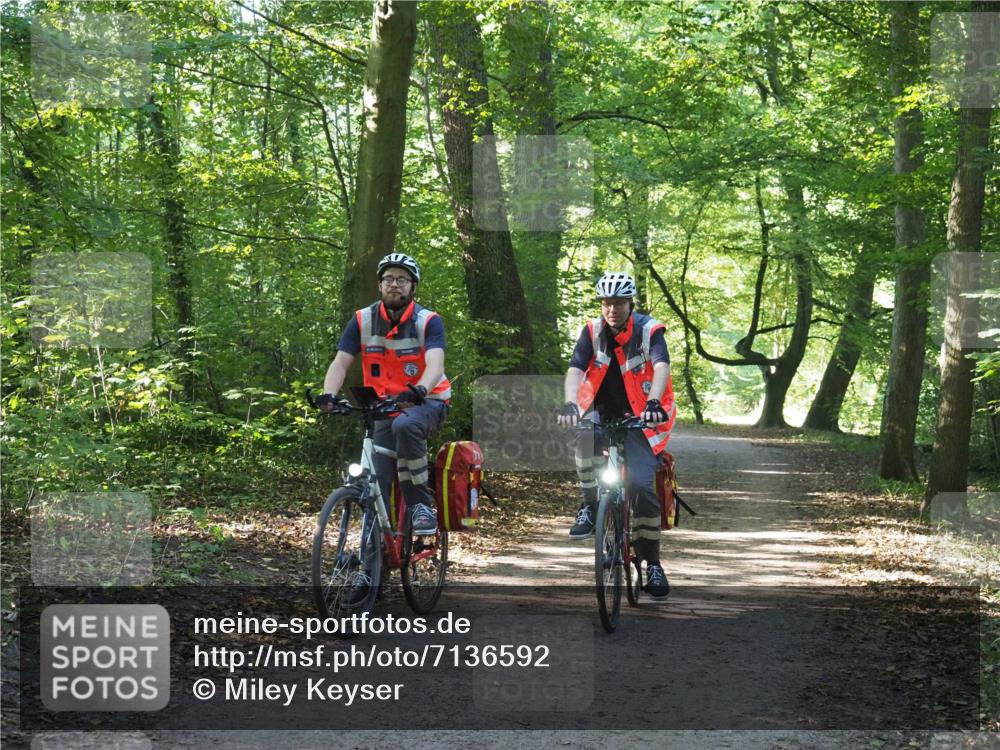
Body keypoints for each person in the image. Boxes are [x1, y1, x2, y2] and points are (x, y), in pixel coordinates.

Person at [556, 272, 676, 598]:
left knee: (639, 485)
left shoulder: (649, 330)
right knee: (584, 439)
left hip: (642, 415)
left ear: (630, 303)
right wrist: (569, 403)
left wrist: (654, 402)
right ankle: (589, 504)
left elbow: (661, 365)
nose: (612, 309)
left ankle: (652, 564)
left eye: (619, 302)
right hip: (600, 411)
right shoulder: (591, 332)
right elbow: (576, 369)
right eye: (607, 303)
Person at [318, 252, 451, 536]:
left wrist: (420, 390)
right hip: (384, 406)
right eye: (389, 278)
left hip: (428, 401)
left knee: (405, 425)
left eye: (402, 279)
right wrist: (328, 394)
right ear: (379, 285)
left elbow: (436, 364)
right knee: (374, 483)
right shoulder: (362, 320)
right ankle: (370, 565)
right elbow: (341, 362)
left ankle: (420, 507)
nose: (395, 284)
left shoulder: (428, 320)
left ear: (413, 287)